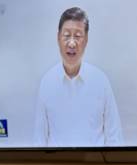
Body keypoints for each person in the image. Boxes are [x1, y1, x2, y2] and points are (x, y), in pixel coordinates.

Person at [33, 7, 123, 147]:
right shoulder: (47, 82)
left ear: (86, 40)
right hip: (57, 161)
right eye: (66, 35)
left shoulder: (101, 81)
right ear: (58, 37)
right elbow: (39, 141)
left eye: (78, 36)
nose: (72, 43)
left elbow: (115, 138)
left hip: (95, 161)